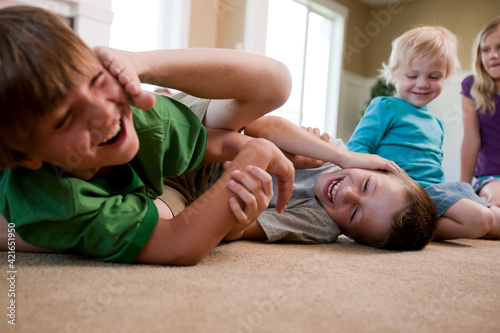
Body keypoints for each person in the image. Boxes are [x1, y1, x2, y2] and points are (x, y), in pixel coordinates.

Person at [0, 6, 399, 264]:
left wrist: (251, 149)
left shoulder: (142, 118)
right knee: (29, 225)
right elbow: (178, 244)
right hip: (37, 202)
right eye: (64, 118)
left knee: (275, 80)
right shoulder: (55, 197)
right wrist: (243, 172)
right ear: (29, 157)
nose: (104, 113)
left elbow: (213, 143)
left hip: (164, 180)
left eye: (96, 78)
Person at [347, 26, 500, 241]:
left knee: (496, 220)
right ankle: (408, 228)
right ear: (394, 73)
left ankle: (417, 223)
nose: (422, 84)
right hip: (408, 191)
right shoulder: (386, 106)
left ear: (446, 76)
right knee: (480, 219)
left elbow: (433, 168)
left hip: (437, 190)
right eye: (412, 75)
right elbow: (356, 149)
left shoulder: (436, 123)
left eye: (434, 76)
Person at [219, 116, 438, 251]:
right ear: (375, 166)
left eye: (354, 214)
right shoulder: (337, 153)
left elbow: (234, 231)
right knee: (274, 85)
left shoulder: (321, 225)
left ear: (349, 234)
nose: (349, 194)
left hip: (207, 188)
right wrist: (322, 156)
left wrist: (241, 221)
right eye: (366, 185)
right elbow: (257, 127)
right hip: (220, 137)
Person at [460, 17, 500, 208]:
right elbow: (470, 139)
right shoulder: (471, 87)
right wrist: (463, 189)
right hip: (491, 176)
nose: (493, 55)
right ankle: (481, 204)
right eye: (486, 50)